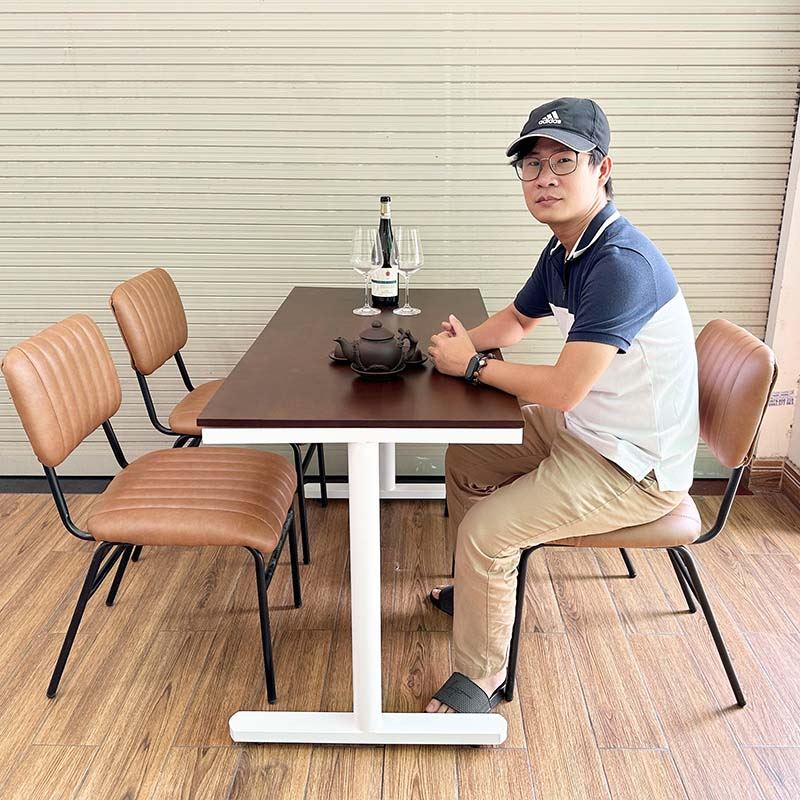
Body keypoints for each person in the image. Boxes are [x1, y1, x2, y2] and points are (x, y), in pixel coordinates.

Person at [425, 97, 699, 714]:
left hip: (634, 466)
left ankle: (480, 679)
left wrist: (472, 366)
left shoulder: (620, 264)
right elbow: (519, 321)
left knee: (487, 533)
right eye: (532, 164)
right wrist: (460, 344)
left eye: (563, 161)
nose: (545, 178)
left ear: (602, 169)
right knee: (469, 454)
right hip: (588, 430)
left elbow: (563, 387)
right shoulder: (566, 248)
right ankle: (477, 593)